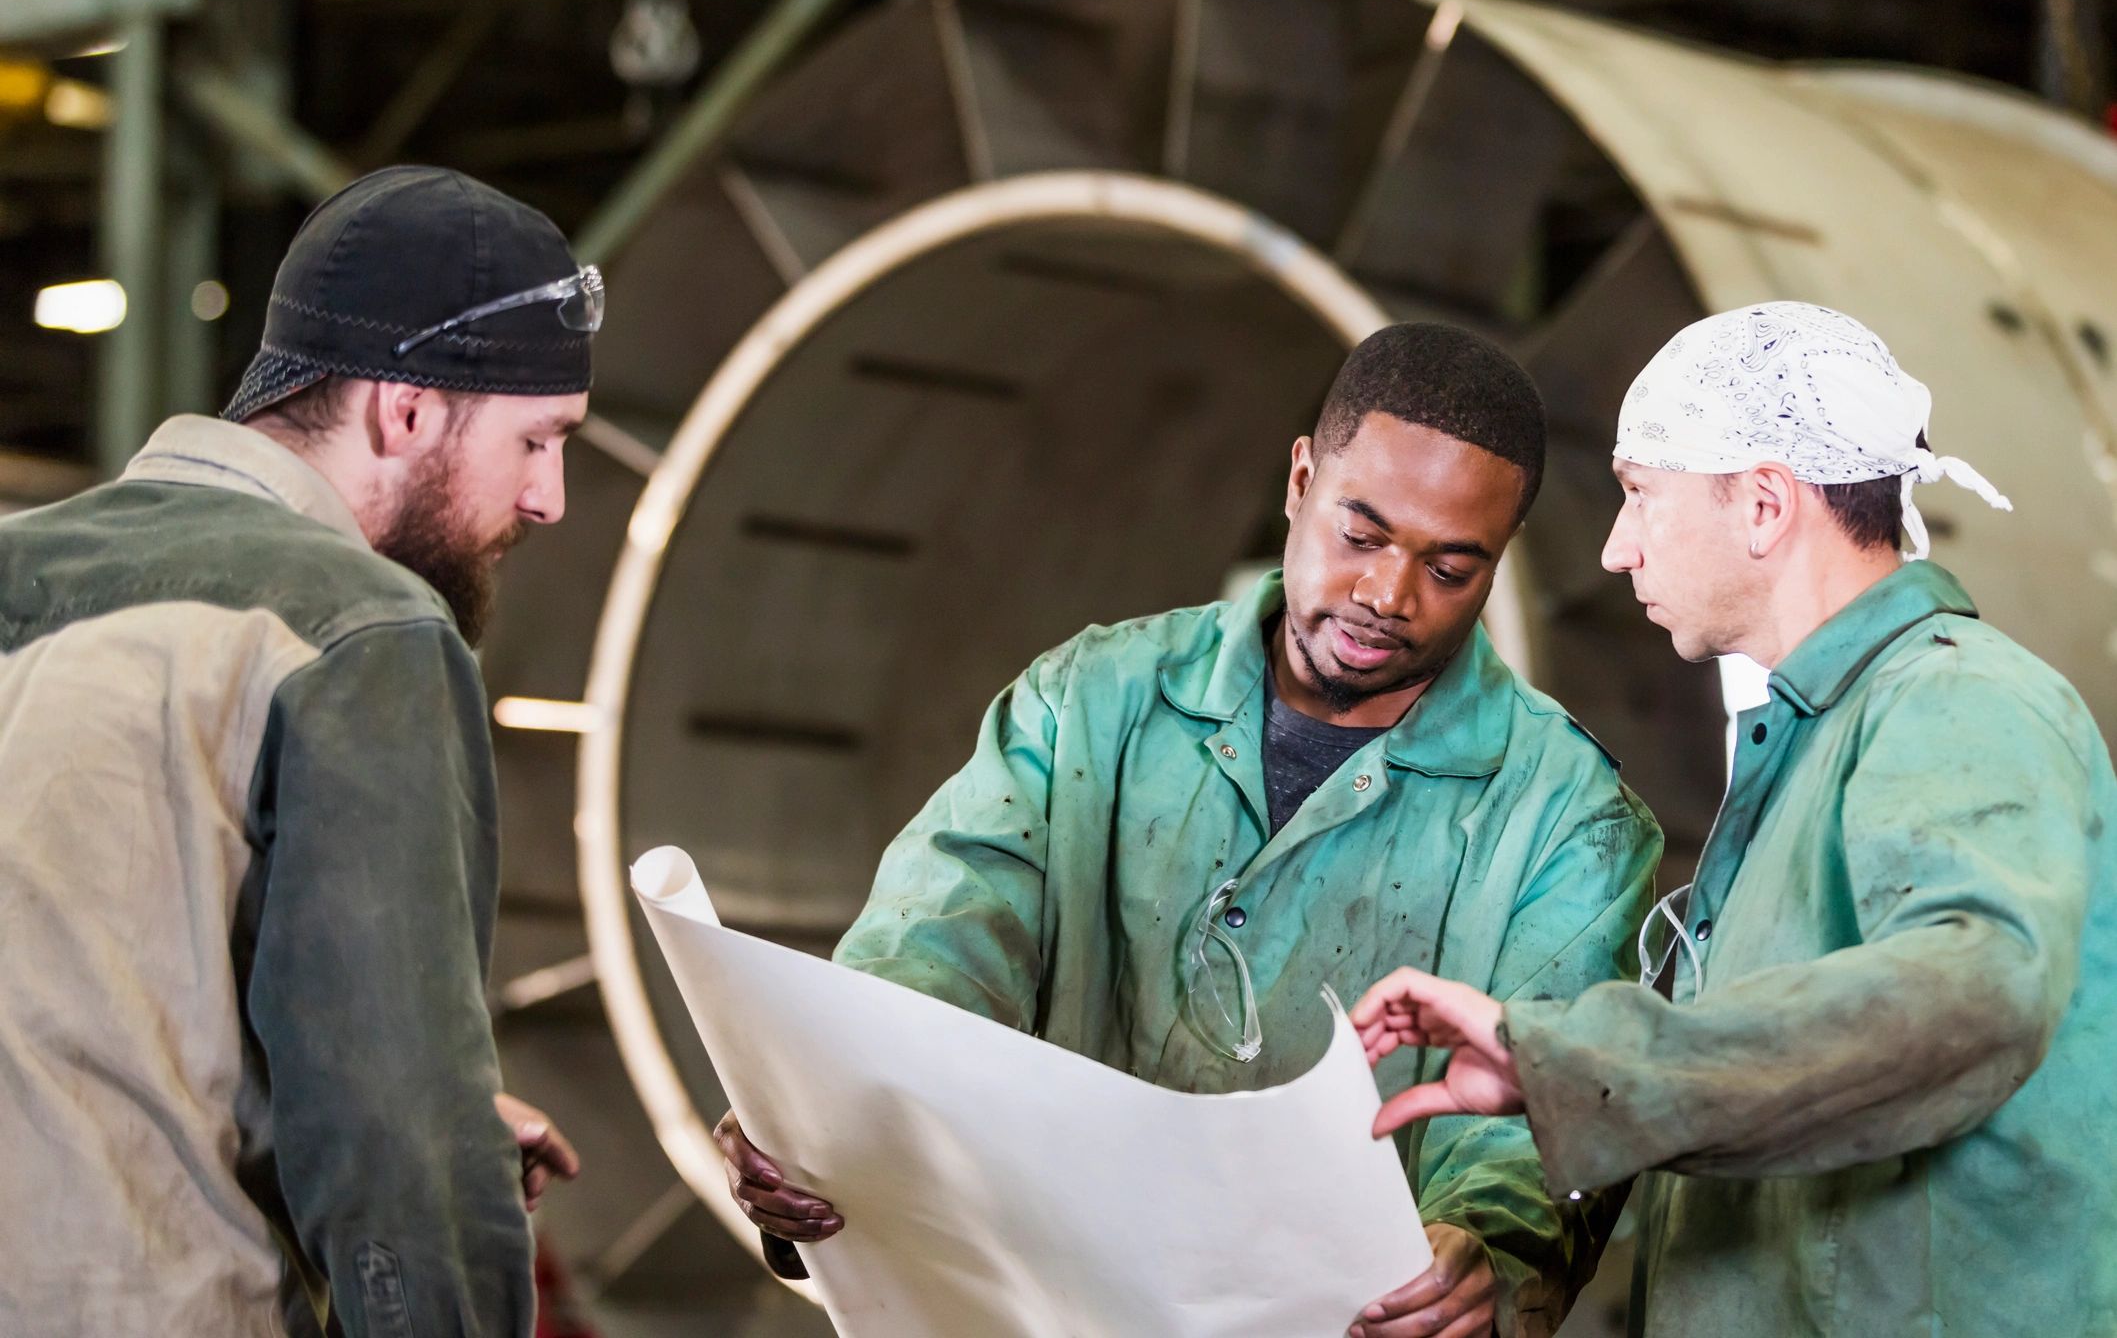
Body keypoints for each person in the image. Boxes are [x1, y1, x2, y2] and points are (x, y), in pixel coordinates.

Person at [716, 323, 1664, 1337]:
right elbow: (942, 937)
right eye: (1361, 533)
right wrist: (823, 1111)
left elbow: (1535, 1115)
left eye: (1448, 569)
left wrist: (1481, 1254)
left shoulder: (1568, 823)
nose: (1386, 596)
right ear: (1300, 481)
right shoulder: (1088, 702)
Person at [1352, 302, 2117, 1337]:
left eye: (1638, 495)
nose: (1617, 550)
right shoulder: (1812, 745)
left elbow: (1977, 989)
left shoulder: (1957, 702)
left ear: (1761, 505)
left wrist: (1577, 1061)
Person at [0, 166, 595, 1337]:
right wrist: (438, 1153)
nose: (549, 499)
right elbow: (398, 1148)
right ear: (406, 411)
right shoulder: (359, 632)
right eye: (536, 441)